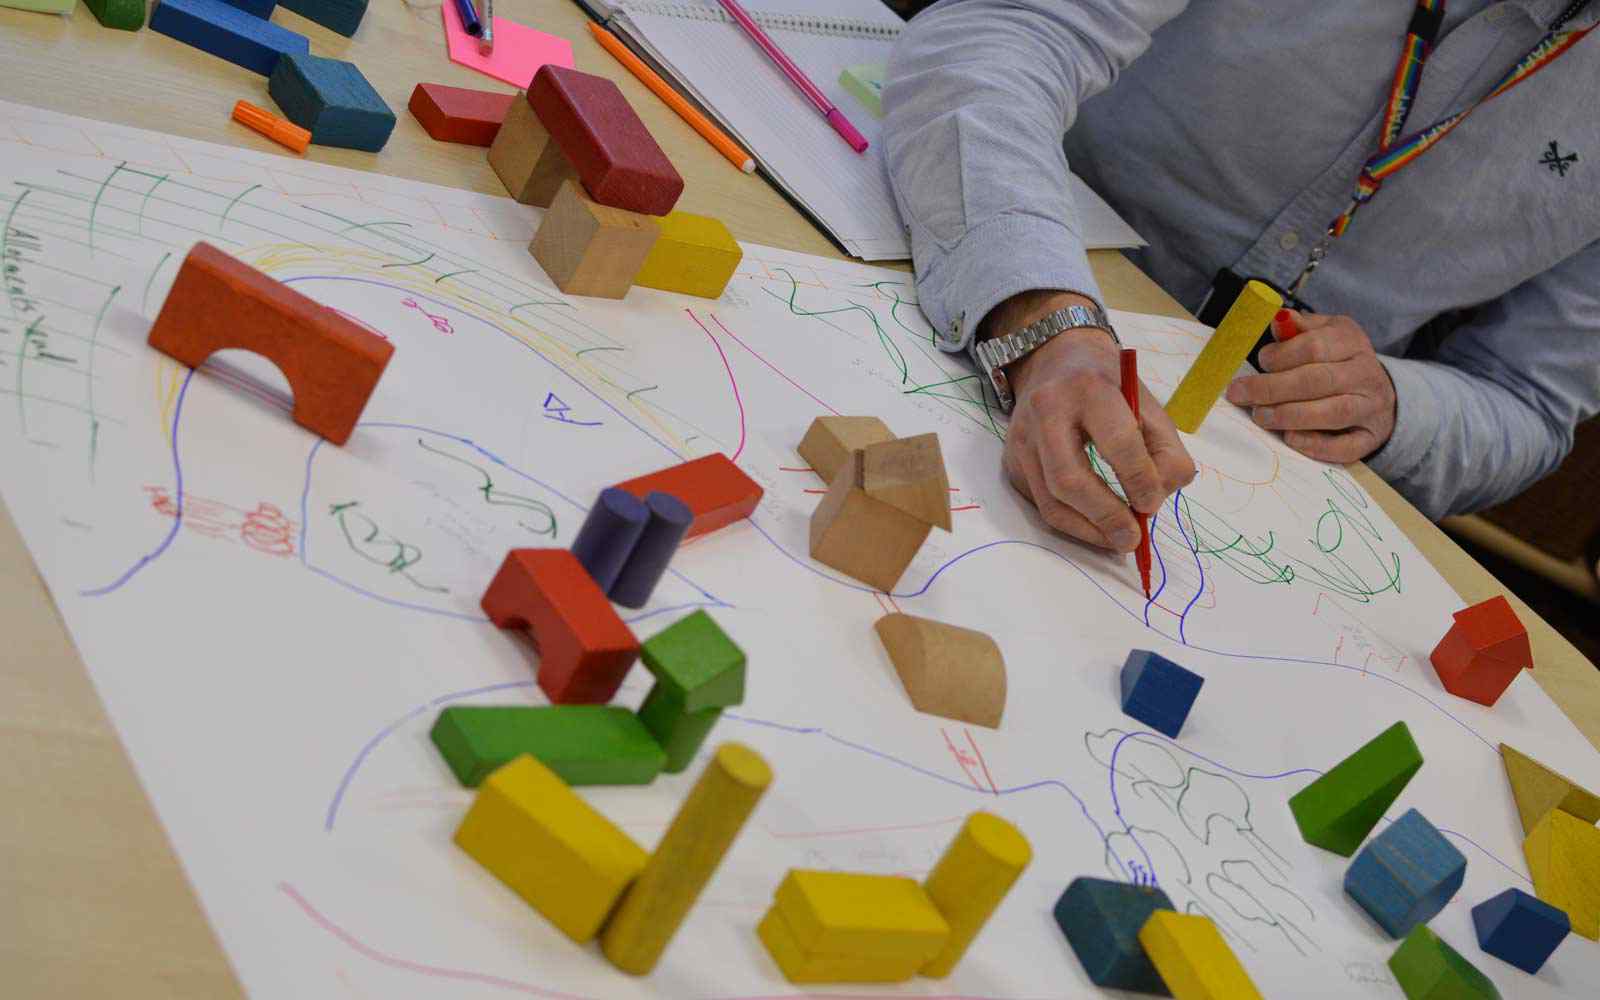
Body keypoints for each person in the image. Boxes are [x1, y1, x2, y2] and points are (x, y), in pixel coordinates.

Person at [882, 0, 1600, 555]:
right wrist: (1043, 317)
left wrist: (1396, 405)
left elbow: (1530, 402)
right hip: (983, 277)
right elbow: (1000, 33)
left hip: (1245, 479)